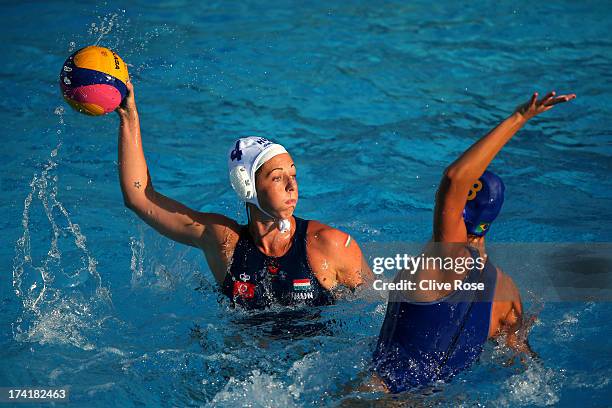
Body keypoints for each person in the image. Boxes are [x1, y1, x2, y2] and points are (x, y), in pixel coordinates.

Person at [371, 90, 576, 393]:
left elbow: (455, 178)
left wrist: (519, 117)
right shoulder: (507, 293)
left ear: (461, 210)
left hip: (379, 398)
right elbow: (522, 363)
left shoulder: (446, 259)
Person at [115, 79, 372, 310]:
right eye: (277, 177)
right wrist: (129, 117)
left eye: (293, 175)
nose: (291, 186)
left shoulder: (328, 244)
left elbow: (377, 307)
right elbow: (140, 198)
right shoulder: (224, 243)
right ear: (246, 185)